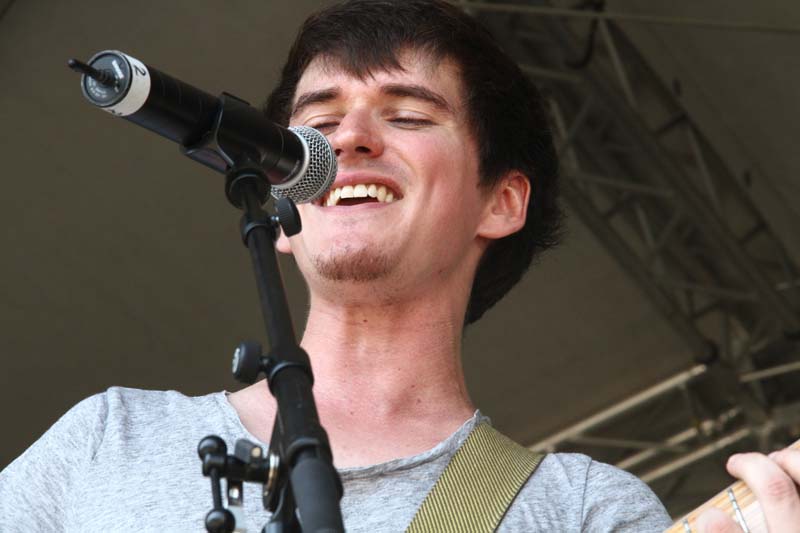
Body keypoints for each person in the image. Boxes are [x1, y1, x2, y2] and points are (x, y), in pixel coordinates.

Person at [1, 1, 798, 532]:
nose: (349, 138)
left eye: (409, 114)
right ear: (279, 200)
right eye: (316, 125)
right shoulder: (110, 442)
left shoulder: (579, 510)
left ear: (500, 202)